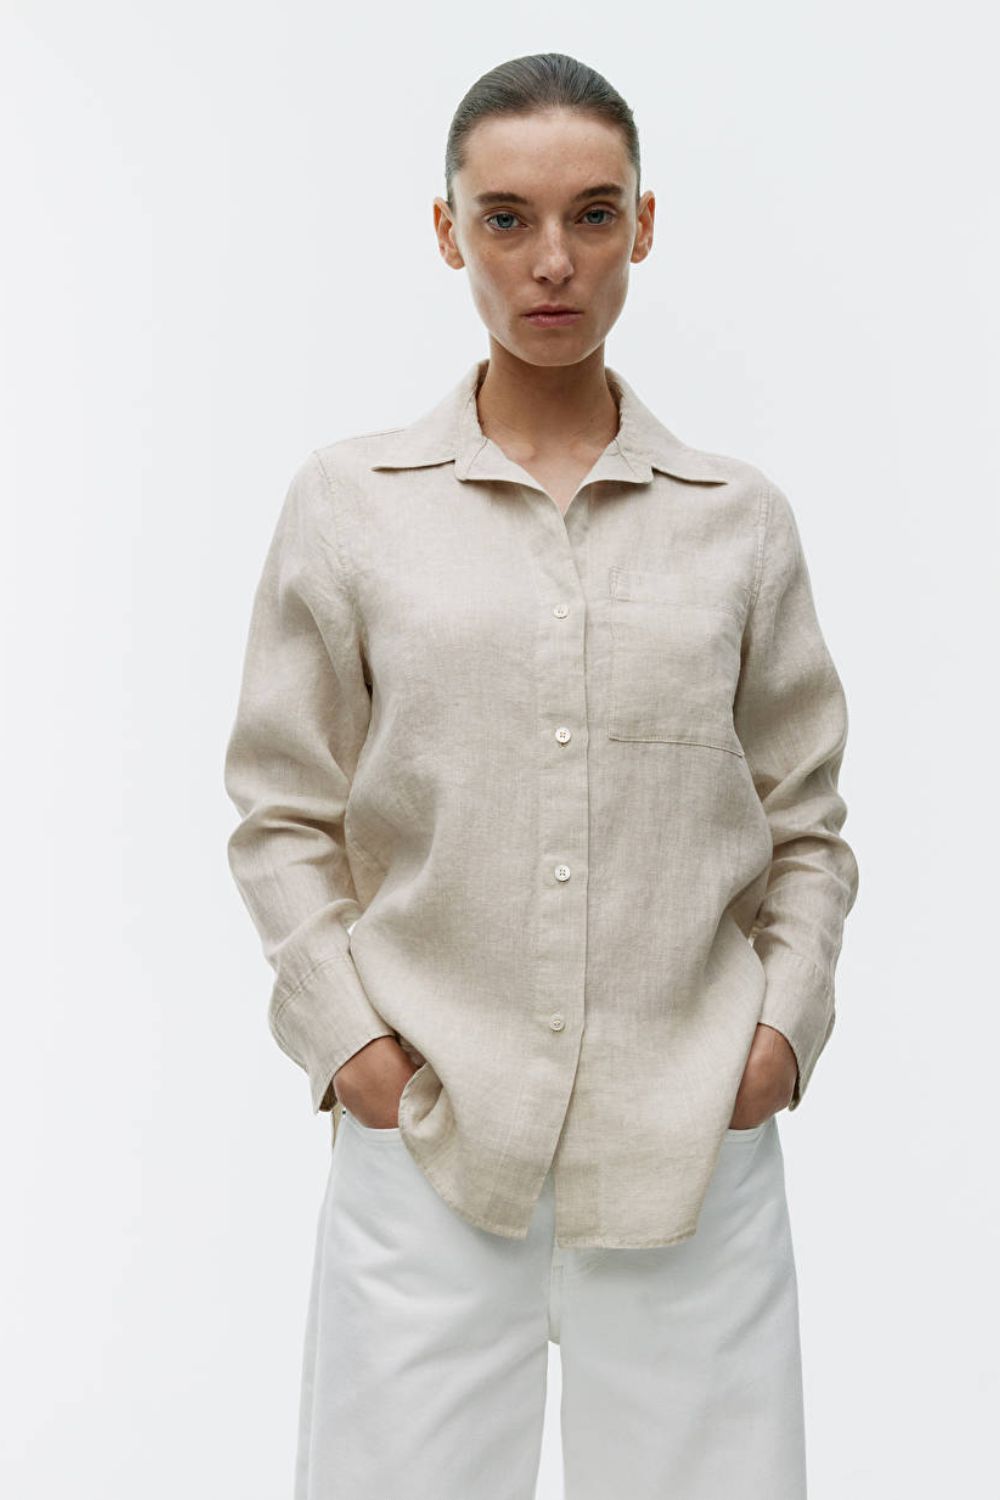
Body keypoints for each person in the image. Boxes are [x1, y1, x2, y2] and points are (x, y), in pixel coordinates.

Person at [223, 51, 860, 1500]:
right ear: (449, 232)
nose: (552, 260)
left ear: (645, 224)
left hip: (689, 1149)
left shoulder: (740, 524)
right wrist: (351, 1046)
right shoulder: (350, 508)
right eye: (506, 218)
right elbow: (281, 812)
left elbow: (806, 824)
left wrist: (779, 1033)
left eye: (592, 213)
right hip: (432, 1149)